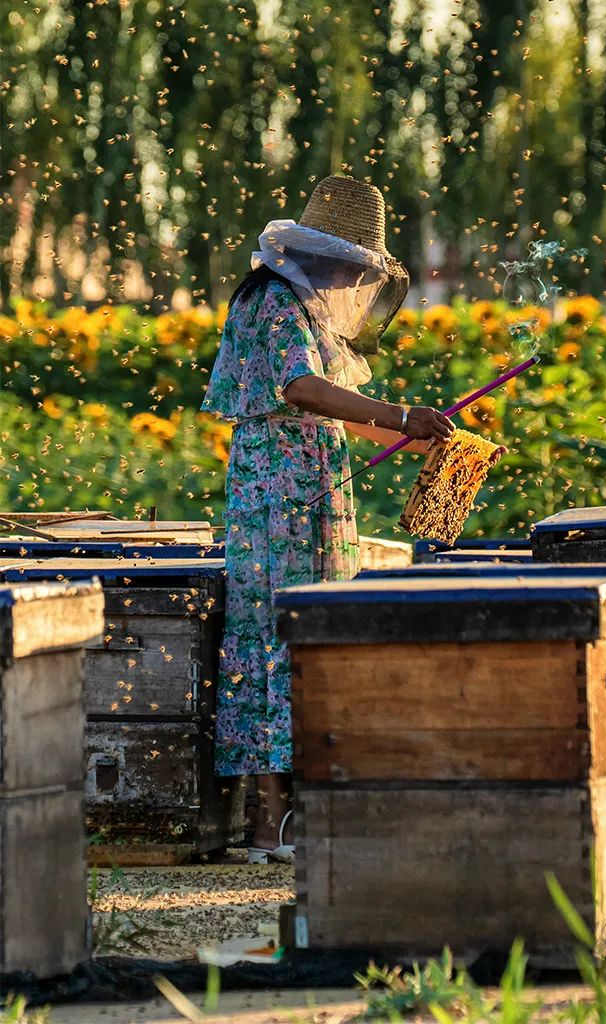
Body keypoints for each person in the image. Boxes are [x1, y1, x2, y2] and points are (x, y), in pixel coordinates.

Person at [201, 175, 453, 862]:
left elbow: (325, 402)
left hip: (302, 483)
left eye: (364, 269)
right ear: (322, 252)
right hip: (278, 495)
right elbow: (299, 388)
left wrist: (412, 436)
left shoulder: (299, 304)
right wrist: (399, 417)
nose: (356, 278)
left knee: (302, 633)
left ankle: (287, 818)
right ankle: (269, 822)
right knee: (272, 635)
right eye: (352, 263)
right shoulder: (277, 301)